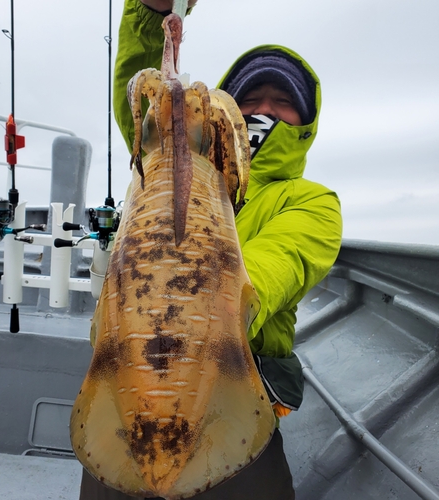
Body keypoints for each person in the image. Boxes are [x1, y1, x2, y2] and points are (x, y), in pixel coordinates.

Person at [79, 1, 343, 499]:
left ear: (304, 123)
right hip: (129, 396)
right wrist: (151, 10)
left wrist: (196, 295)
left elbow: (276, 267)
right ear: (227, 111)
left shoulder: (311, 203)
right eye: (253, 97)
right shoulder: (157, 164)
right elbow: (144, 95)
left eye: (282, 102)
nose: (265, 109)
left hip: (234, 407)